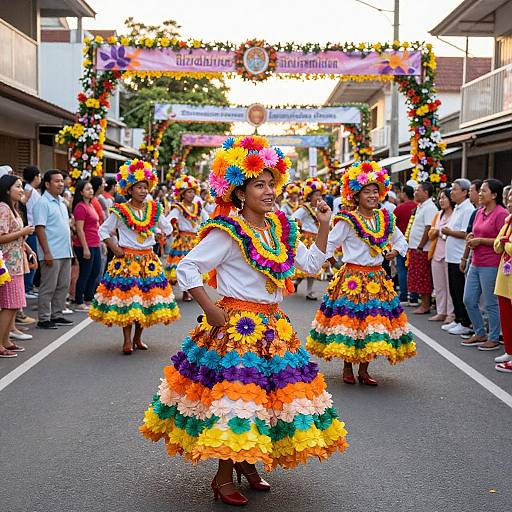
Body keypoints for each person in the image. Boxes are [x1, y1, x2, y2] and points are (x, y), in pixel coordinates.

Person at [140, 135, 347, 506]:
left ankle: (247, 465)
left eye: (271, 184)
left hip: (273, 328)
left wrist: (324, 224)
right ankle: (223, 477)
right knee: (237, 402)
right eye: (259, 185)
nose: (269, 191)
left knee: (267, 401)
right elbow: (188, 268)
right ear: (239, 193)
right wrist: (209, 307)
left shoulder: (281, 228)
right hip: (236, 328)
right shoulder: (227, 231)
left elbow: (313, 264)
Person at [307, 161, 415, 386]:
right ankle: (347, 366)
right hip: (352, 280)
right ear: (356, 195)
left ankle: (364, 370)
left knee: (373, 325)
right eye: (368, 191)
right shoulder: (347, 220)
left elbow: (401, 241)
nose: (373, 195)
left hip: (377, 278)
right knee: (350, 323)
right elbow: (329, 242)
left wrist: (393, 252)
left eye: (376, 191)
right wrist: (331, 260)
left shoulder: (386, 218)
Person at [89, 159, 180, 354]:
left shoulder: (154, 209)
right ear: (129, 189)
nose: (143, 191)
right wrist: (114, 247)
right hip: (126, 261)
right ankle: (127, 341)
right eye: (139, 187)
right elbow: (103, 231)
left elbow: (168, 227)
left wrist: (160, 234)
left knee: (145, 302)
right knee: (129, 301)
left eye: (145, 187)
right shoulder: (120, 211)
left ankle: (138, 339)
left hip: (148, 262)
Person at [461, 179, 507, 350]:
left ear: (494, 195)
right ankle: (480, 332)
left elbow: (502, 240)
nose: (480, 194)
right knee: (469, 299)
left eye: (483, 191)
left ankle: (494, 337)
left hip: (491, 263)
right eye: (479, 191)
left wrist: (480, 240)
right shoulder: (480, 212)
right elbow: (476, 231)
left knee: (491, 303)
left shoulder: (501, 214)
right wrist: (472, 236)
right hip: (476, 261)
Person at [0, 175, 37, 357]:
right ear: (7, 189)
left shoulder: (13, 208)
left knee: (14, 304)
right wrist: (23, 232)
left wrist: (29, 250)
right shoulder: (3, 208)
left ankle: (6, 341)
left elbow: (17, 235)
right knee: (9, 304)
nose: (21, 190)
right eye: (17, 186)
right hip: (8, 263)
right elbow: (1, 236)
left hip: (17, 260)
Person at [33, 170, 74, 330]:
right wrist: (47, 252)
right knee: (48, 287)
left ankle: (57, 314)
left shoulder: (61, 202)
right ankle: (44, 318)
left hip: (65, 251)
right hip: (52, 252)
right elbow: (40, 228)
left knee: (62, 285)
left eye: (61, 181)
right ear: (47, 184)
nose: (61, 184)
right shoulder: (42, 203)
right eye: (56, 181)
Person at [164, 175, 209, 301]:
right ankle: (186, 292)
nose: (192, 194)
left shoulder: (198, 207)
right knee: (183, 266)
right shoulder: (178, 207)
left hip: (195, 241)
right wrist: (169, 228)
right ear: (183, 194)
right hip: (182, 242)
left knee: (195, 266)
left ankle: (192, 291)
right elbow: (168, 221)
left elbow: (208, 220)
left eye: (193, 191)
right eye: (189, 192)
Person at [441, 179, 475, 336]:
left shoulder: (468, 208)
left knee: (460, 290)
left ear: (464, 192)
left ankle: (465, 322)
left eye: (454, 189)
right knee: (454, 290)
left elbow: (465, 233)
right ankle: (457, 318)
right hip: (451, 256)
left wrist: (448, 232)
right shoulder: (458, 208)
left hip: (458, 256)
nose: (451, 192)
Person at [292, 177, 327, 300]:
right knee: (307, 265)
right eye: (316, 195)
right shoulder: (304, 209)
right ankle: (309, 291)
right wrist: (299, 230)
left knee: (312, 267)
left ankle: (301, 286)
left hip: (316, 238)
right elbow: (293, 218)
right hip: (307, 238)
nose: (318, 197)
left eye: (320, 195)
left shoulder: (321, 209)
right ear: (310, 196)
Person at [406, 182, 438, 314]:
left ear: (426, 193)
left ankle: (425, 305)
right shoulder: (421, 206)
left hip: (423, 249)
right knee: (418, 277)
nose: (415, 193)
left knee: (423, 277)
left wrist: (420, 245)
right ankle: (423, 303)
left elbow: (428, 228)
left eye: (417, 190)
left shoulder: (430, 207)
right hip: (416, 248)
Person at [71, 180, 101, 312]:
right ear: (81, 192)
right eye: (87, 189)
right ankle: (79, 301)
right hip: (85, 244)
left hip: (95, 243)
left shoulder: (91, 205)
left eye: (91, 189)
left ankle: (89, 298)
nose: (91, 191)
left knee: (95, 272)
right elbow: (79, 229)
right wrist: (85, 248)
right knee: (85, 273)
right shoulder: (80, 207)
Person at [427, 188, 455, 323]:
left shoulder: (456, 214)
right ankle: (441, 311)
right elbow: (431, 232)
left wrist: (441, 232)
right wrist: (438, 232)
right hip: (437, 252)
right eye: (440, 198)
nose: (441, 200)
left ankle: (451, 313)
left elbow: (452, 233)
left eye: (444, 197)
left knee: (450, 286)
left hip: (450, 254)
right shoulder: (438, 215)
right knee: (439, 285)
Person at [495, 188, 512, 371]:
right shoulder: (508, 221)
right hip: (505, 277)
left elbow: (505, 245)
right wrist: (503, 243)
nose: (509, 202)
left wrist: (506, 244)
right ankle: (509, 350)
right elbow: (496, 245)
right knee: (506, 317)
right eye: (508, 199)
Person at [394, 185, 417, 305]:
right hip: (414, 243)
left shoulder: (399, 209)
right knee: (412, 270)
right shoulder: (417, 206)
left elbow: (391, 224)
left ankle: (403, 295)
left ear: (404, 194)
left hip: (401, 243)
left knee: (402, 269)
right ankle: (413, 295)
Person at [22, 165, 41, 299]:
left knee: (31, 258)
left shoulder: (30, 190)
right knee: (32, 258)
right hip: (31, 229)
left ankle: (28, 287)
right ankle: (27, 287)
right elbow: (35, 212)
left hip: (30, 228)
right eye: (39, 175)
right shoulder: (30, 191)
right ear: (35, 177)